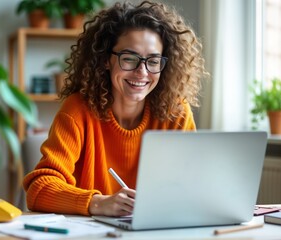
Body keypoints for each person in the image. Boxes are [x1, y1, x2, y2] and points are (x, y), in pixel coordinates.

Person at [23, 0, 208, 217]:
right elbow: (39, 189)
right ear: (105, 60)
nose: (142, 72)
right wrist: (98, 203)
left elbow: (193, 186)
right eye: (129, 59)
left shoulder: (176, 112)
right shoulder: (77, 111)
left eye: (153, 61)